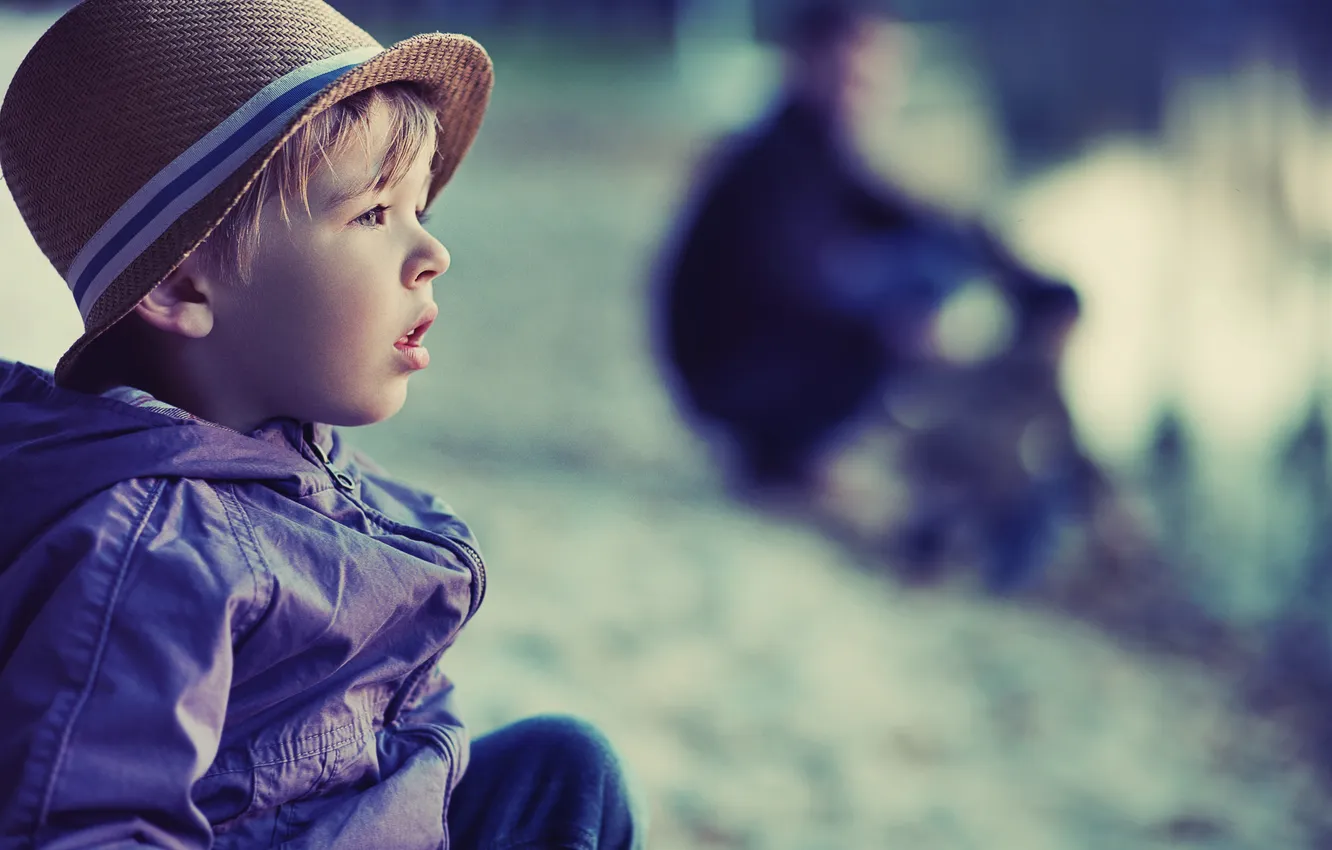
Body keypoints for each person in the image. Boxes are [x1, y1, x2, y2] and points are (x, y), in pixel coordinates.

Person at [0, 1, 645, 847]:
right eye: (374, 215)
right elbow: (87, 825)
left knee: (563, 768)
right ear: (183, 286)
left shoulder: (295, 462)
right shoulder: (152, 556)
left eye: (423, 212)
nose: (431, 253)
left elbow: (403, 718)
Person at [655, 0, 1089, 586]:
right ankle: (787, 457)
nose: (864, 89)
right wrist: (894, 328)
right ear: (803, 60)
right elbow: (781, 288)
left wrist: (1035, 283)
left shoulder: (817, 148)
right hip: (729, 377)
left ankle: (803, 456)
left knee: (930, 258)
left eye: (878, 76)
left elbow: (921, 219)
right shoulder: (774, 161)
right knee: (914, 286)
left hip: (748, 367)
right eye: (851, 71)